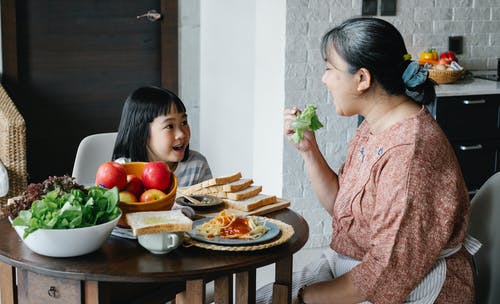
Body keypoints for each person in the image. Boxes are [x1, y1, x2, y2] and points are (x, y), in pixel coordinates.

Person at [257, 17, 480, 304]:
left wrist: (305, 298)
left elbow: (385, 275)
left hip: (412, 287)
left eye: (329, 69)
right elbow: (342, 207)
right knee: (257, 297)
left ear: (362, 78)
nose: (324, 79)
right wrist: (308, 150)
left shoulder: (409, 153)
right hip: (359, 269)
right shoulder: (374, 125)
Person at [113, 85, 212, 187]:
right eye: (169, 126)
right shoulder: (122, 171)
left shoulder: (197, 165)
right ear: (142, 132)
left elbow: (210, 201)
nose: (181, 134)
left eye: (184, 123)